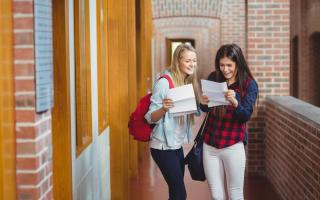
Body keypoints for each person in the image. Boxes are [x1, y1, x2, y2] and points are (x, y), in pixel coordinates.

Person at [200, 44, 258, 200]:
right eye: (221, 65)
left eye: (229, 65)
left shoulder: (249, 84)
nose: (225, 69)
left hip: (233, 145)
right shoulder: (213, 77)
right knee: (216, 194)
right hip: (210, 145)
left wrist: (235, 102)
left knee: (235, 194)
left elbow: (245, 116)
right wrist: (203, 103)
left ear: (238, 63)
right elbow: (205, 109)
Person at [145, 43, 201, 200]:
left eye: (194, 61)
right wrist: (163, 109)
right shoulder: (164, 82)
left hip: (176, 146)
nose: (192, 64)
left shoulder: (186, 81)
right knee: (180, 193)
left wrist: (203, 104)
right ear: (178, 61)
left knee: (175, 192)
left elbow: (192, 112)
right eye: (188, 60)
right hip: (162, 147)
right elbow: (149, 117)